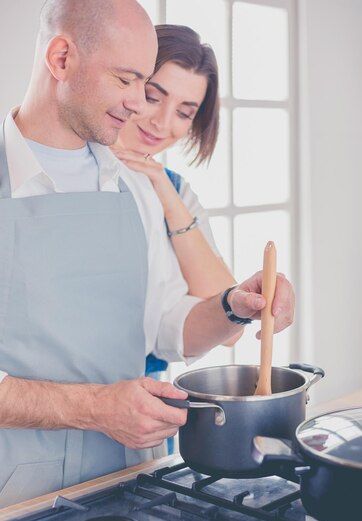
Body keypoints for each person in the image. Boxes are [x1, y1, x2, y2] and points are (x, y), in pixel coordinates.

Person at [0, 0, 295, 507]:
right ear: (61, 59)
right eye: (128, 81)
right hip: (11, 497)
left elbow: (166, 325)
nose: (141, 107)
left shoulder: (137, 186)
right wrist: (94, 407)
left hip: (128, 481)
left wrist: (232, 307)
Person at [112, 24, 241, 378]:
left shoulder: (176, 190)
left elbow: (230, 322)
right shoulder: (71, 169)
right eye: (153, 97)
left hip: (150, 399)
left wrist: (165, 192)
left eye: (184, 112)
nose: (162, 123)